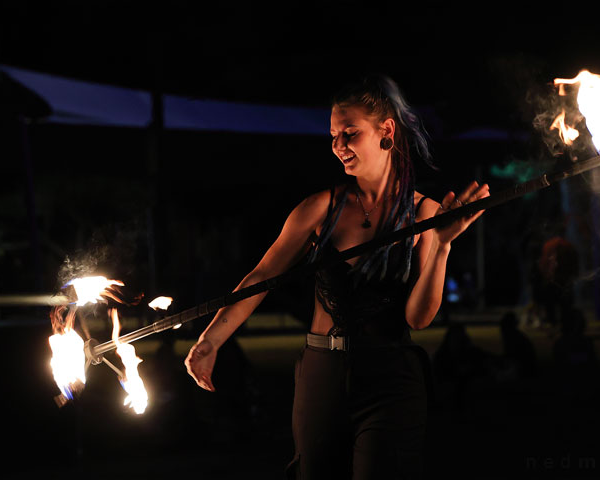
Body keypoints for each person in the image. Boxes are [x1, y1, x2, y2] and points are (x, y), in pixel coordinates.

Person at [184, 74, 490, 479]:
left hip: (390, 377)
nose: (339, 146)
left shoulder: (425, 214)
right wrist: (211, 340)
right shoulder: (319, 209)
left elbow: (418, 318)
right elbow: (262, 277)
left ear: (386, 131)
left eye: (350, 133)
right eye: (333, 136)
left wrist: (444, 245)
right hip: (321, 375)